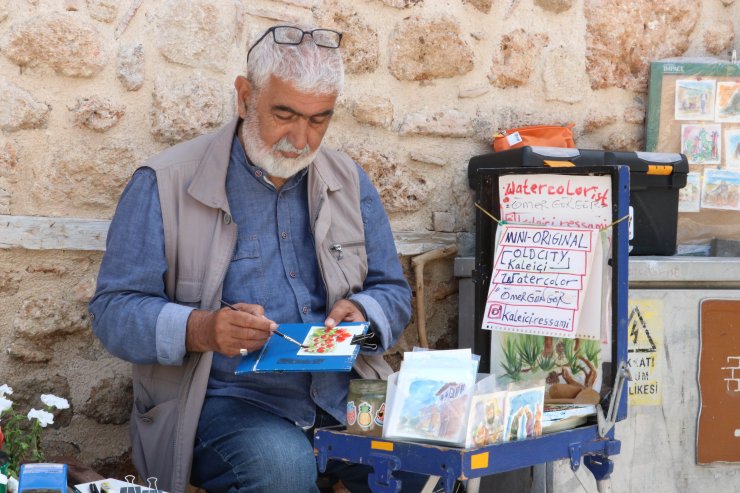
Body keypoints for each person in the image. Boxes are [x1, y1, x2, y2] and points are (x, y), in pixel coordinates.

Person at [90, 25, 429, 493]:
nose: (300, 138)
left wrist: (364, 314)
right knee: (281, 470)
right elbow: (112, 312)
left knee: (429, 458)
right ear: (245, 96)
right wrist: (203, 328)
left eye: (318, 120)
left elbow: (392, 291)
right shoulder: (163, 183)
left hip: (342, 399)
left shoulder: (348, 181)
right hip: (224, 402)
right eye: (284, 115)